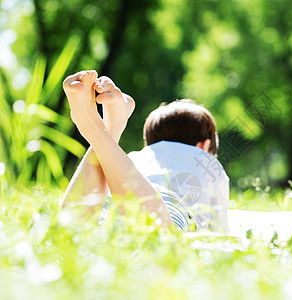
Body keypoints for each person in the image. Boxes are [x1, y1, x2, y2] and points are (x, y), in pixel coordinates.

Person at [60, 70, 229, 232]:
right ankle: (95, 128)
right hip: (171, 210)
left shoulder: (132, 160)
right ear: (204, 146)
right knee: (160, 240)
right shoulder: (207, 162)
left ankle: (110, 131)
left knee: (71, 235)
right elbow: (219, 232)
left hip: (115, 207)